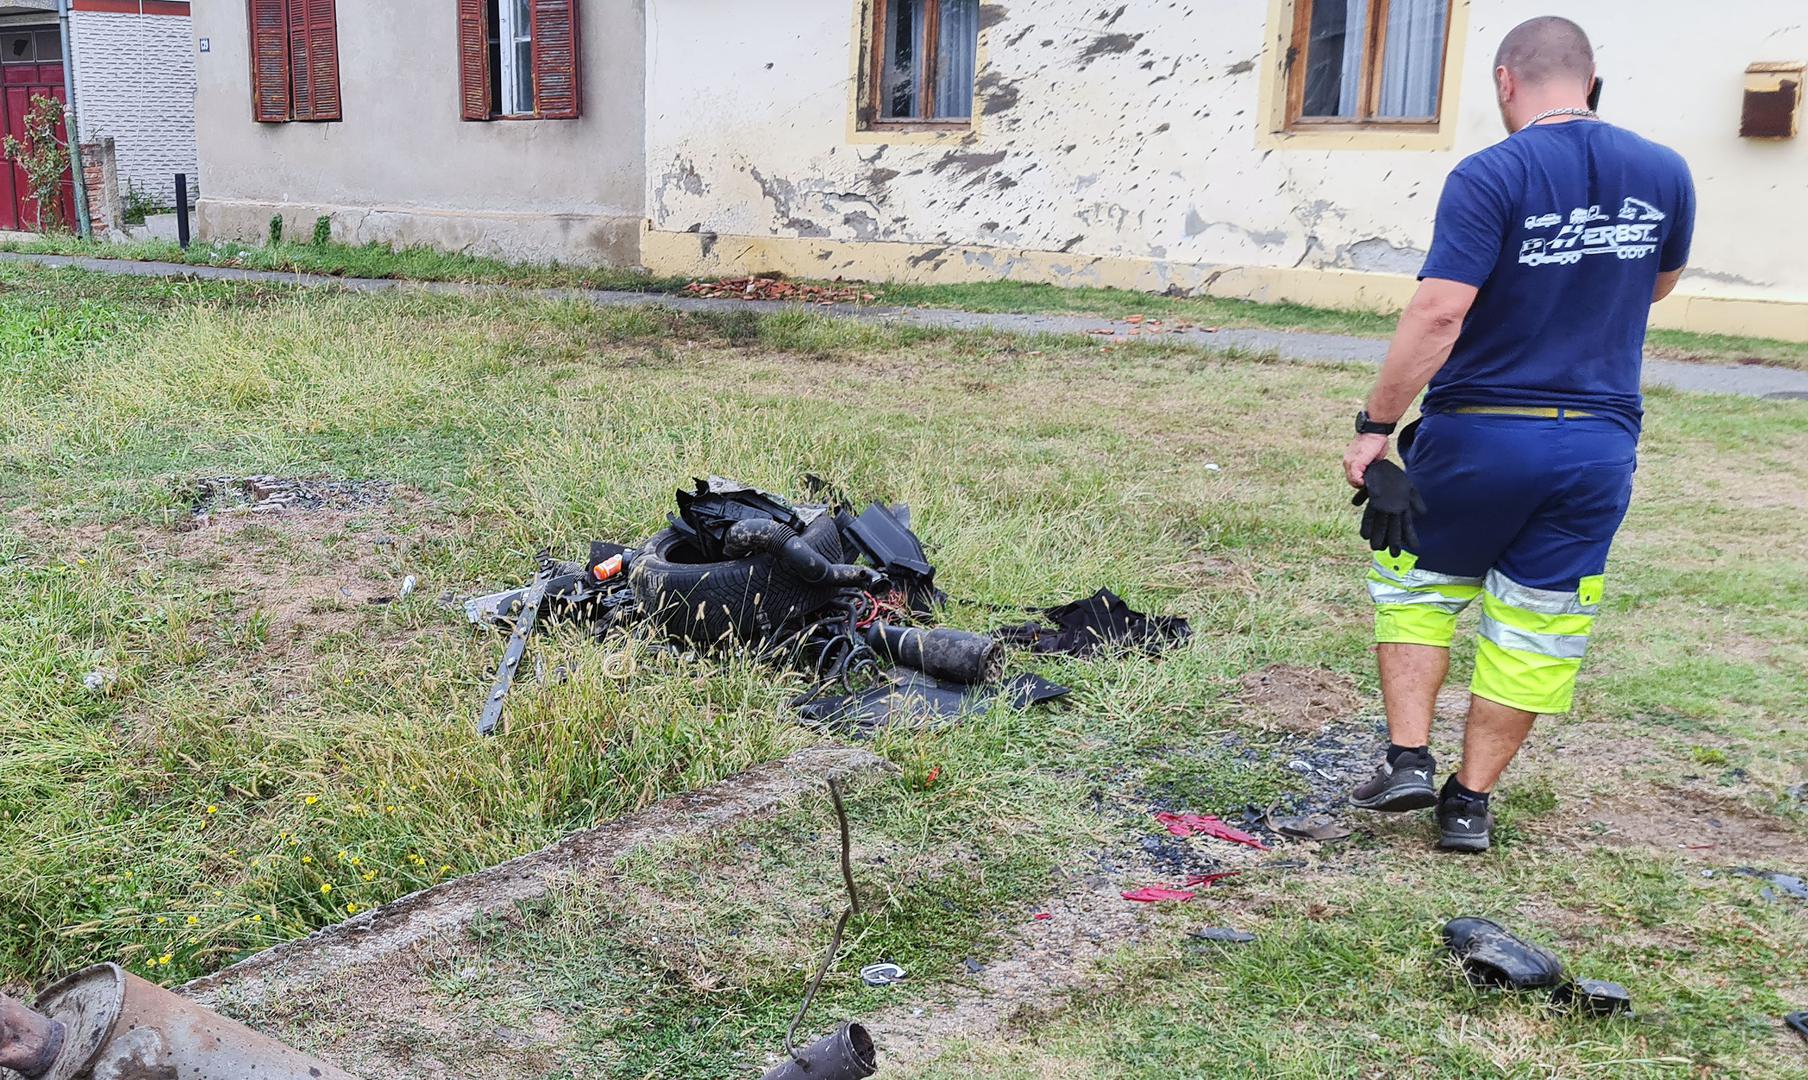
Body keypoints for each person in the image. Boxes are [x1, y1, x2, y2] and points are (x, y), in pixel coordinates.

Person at [1339, 16, 1695, 852]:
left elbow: (1438, 310)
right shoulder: (1667, 172)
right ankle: (1469, 806)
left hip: (1481, 433)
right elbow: (1658, 283)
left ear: (1506, 82)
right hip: (1598, 447)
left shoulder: (1492, 172)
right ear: (1591, 79)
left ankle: (1409, 760)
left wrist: (1375, 426)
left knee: (1419, 587)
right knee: (1538, 622)